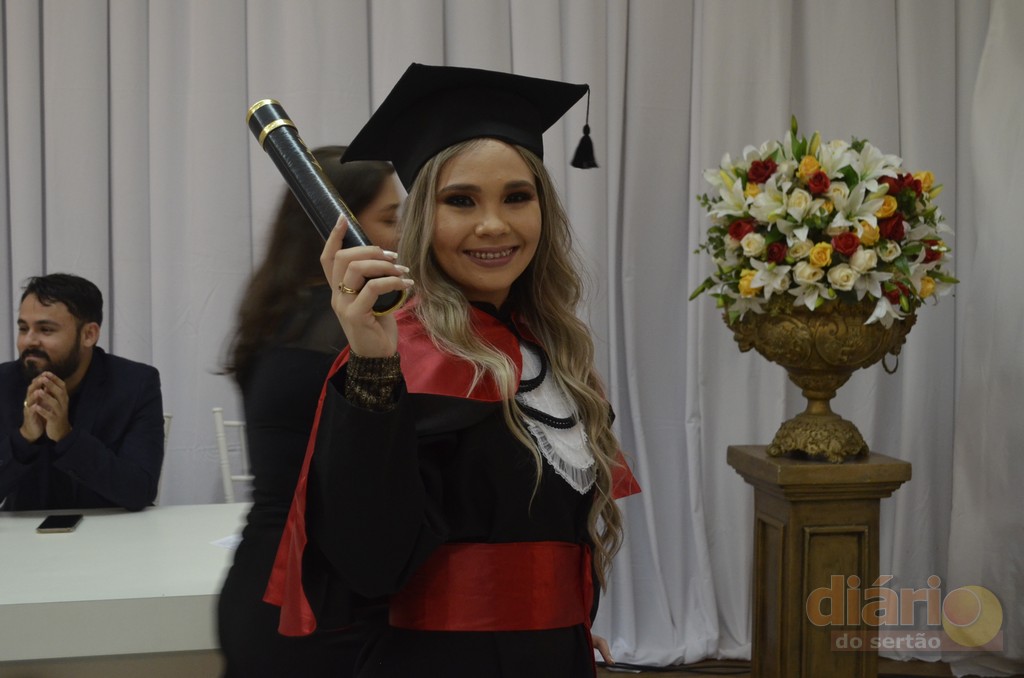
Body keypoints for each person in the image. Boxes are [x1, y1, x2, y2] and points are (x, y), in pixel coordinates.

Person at [265, 64, 640, 677]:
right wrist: (373, 362)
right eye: (460, 200)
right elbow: (369, 560)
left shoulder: (551, 349)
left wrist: (561, 623)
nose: (494, 225)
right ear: (421, 219)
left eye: (517, 197)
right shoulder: (400, 356)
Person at [217, 145, 403, 678]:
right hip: (314, 607)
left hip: (267, 585)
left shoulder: (279, 314)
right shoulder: (347, 333)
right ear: (339, 229)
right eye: (390, 219)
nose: (403, 235)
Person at [0, 273, 164, 511]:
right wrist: (24, 438)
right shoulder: (4, 383)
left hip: (112, 529)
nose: (29, 341)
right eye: (23, 329)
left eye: (46, 330)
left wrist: (67, 437)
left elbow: (139, 490)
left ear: (89, 335)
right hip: (24, 531)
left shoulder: (135, 384)